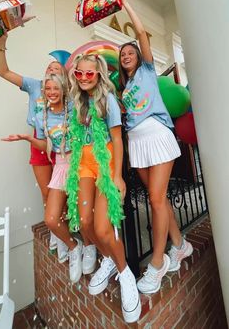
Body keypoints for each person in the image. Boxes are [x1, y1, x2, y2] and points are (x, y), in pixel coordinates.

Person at [117, 0, 193, 294]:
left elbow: (141, 32)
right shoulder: (125, 88)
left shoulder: (148, 70)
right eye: (123, 54)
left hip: (157, 136)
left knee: (156, 200)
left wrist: (125, 3)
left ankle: (158, 263)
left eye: (130, 51)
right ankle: (180, 244)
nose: (127, 55)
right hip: (137, 143)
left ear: (139, 55)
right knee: (158, 201)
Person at [66, 53, 141, 323]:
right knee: (84, 223)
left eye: (90, 73)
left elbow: (118, 141)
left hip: (105, 159)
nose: (85, 78)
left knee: (101, 227)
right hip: (83, 163)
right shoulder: (75, 101)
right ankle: (108, 257)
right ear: (75, 75)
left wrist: (118, 176)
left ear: (98, 75)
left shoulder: (107, 98)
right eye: (80, 73)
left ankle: (125, 274)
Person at [2, 73, 97, 282]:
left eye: (56, 88)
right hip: (61, 166)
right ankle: (74, 247)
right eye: (48, 89)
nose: (52, 92)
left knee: (83, 216)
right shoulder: (41, 116)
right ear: (44, 93)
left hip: (80, 164)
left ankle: (90, 246)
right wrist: (27, 138)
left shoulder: (73, 107)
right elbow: (47, 146)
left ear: (63, 90)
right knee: (52, 219)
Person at [0, 32, 68, 255]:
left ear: (63, 76)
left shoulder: (68, 93)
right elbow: (3, 71)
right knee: (46, 193)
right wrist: (1, 44)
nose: (50, 70)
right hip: (38, 143)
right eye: (48, 68)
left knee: (63, 193)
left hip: (62, 147)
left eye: (55, 69)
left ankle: (64, 228)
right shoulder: (35, 86)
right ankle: (58, 234)